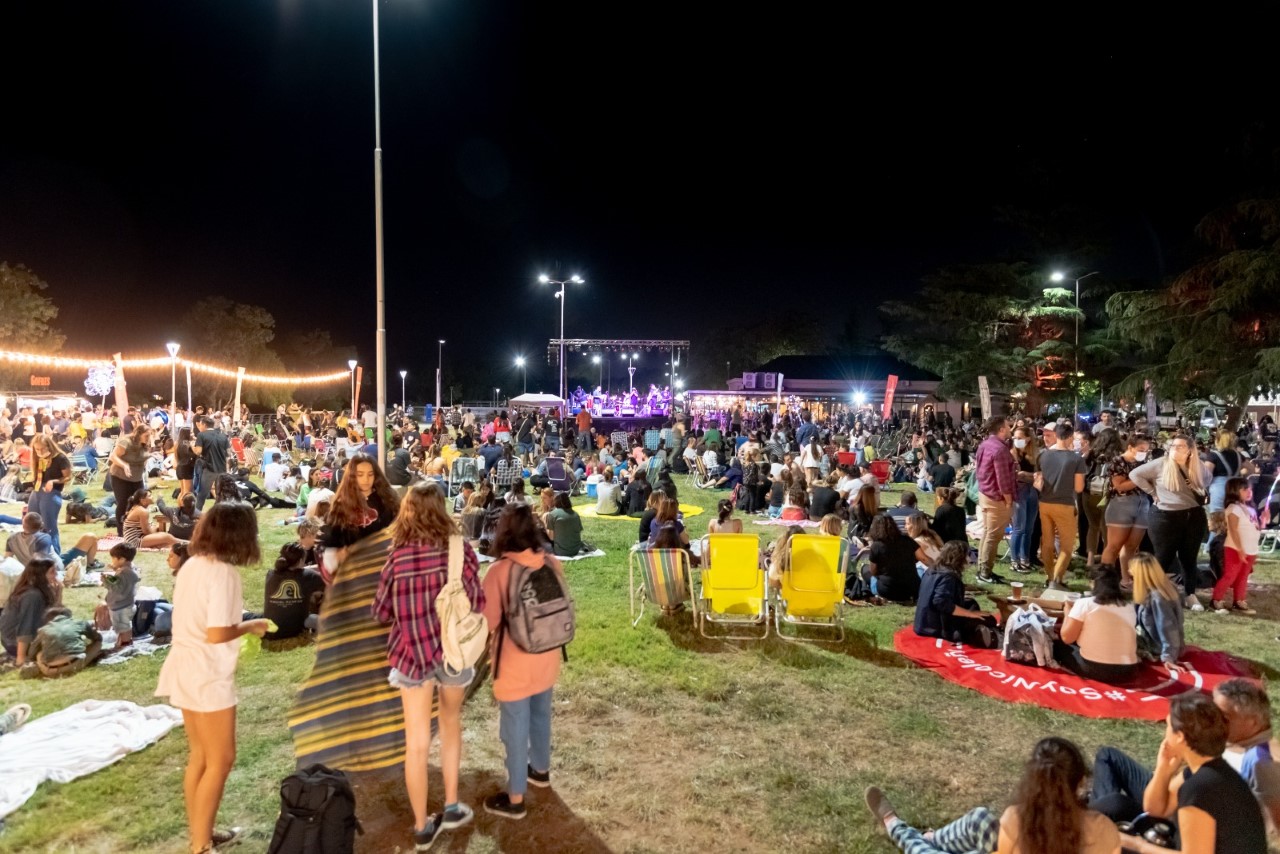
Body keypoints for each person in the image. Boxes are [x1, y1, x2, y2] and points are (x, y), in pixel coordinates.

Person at [154, 502, 270, 854]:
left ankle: (200, 834)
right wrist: (252, 624)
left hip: (185, 665)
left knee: (201, 757)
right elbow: (219, 633)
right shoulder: (223, 574)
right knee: (221, 759)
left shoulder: (192, 566)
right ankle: (201, 845)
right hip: (207, 674)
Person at [373, 482, 484, 849]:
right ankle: (451, 806)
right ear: (441, 509)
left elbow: (381, 612)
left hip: (410, 655)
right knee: (451, 725)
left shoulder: (396, 557)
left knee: (416, 743)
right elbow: (478, 601)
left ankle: (422, 826)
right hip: (453, 654)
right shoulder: (460, 550)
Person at [290, 453, 406, 772]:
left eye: (370, 475)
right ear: (350, 478)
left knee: (385, 667)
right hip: (354, 599)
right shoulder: (339, 512)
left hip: (387, 597)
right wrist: (344, 556)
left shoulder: (390, 506)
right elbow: (328, 557)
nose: (366, 481)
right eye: (360, 476)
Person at [864, 737, 1118, 854]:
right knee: (981, 819)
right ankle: (931, 837)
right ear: (1081, 783)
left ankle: (896, 826)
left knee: (924, 851)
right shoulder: (1105, 830)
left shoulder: (1017, 821)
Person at [1093, 680, 1280, 837]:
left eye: (1223, 717)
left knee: (1114, 804)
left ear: (1253, 722)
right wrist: (1164, 769)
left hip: (1184, 825)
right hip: (1172, 801)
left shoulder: (1262, 762)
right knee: (1108, 757)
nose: (1212, 719)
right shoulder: (1228, 743)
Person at [480, 504, 566, 820]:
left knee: (514, 730)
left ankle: (515, 797)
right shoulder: (551, 563)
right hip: (547, 657)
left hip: (513, 664)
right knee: (541, 716)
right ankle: (540, 770)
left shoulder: (499, 572)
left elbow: (487, 621)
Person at [1119, 693, 1267, 854]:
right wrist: (1163, 770)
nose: (1165, 732)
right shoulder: (1212, 772)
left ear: (1180, 737)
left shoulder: (1198, 789)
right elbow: (1156, 809)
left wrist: (1138, 846)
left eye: (1168, 726)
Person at [1129, 433, 1212, 611]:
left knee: (1189, 558)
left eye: (1180, 446)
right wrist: (1152, 492)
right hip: (1165, 516)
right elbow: (1135, 474)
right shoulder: (1161, 464)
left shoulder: (1197, 466)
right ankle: (1149, 594)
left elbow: (1206, 481)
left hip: (1193, 516)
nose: (1175, 449)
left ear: (1190, 451)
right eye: (1173, 446)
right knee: (1162, 557)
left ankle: (1190, 594)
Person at [1053, 564, 1140, 683]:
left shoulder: (1085, 604)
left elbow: (1066, 638)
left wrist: (1067, 611)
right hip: (1128, 670)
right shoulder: (1129, 606)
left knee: (1056, 645)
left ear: (1093, 583)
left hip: (1095, 669)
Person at [1035, 422, 1087, 589]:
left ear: (1055, 435)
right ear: (1071, 437)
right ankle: (1056, 579)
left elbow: (1038, 480)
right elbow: (1079, 488)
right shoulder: (1076, 458)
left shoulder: (1042, 455)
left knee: (1047, 543)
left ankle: (1049, 576)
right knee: (1066, 546)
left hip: (1045, 502)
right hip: (1065, 504)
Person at [914, 541, 994, 645]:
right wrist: (970, 614)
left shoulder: (932, 569)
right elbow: (940, 602)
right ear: (959, 557)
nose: (969, 559)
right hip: (936, 626)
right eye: (967, 555)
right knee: (988, 619)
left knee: (971, 603)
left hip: (924, 621)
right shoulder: (948, 577)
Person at [1101, 433, 1152, 585]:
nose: (1144, 453)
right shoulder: (1118, 461)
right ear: (1130, 447)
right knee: (1114, 546)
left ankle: (1125, 579)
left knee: (1131, 546)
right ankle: (1105, 582)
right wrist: (1140, 478)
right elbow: (1120, 486)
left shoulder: (1143, 463)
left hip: (1142, 504)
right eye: (1141, 449)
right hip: (1121, 505)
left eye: (1146, 450)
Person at [1213, 476, 1265, 615]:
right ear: (1234, 491)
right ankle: (1216, 599)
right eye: (1244, 489)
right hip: (1235, 548)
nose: (1249, 491)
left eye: (1250, 489)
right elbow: (1233, 529)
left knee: (1243, 576)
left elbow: (1256, 528)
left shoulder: (1251, 509)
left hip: (1251, 549)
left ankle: (1239, 600)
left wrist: (1263, 520)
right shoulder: (1233, 508)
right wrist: (1240, 548)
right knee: (1230, 575)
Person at [973, 417, 1016, 585]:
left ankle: (984, 569)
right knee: (993, 535)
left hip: (985, 493)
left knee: (987, 532)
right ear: (1001, 429)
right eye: (1008, 426)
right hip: (996, 497)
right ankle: (985, 572)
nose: (1010, 428)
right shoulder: (1000, 450)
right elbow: (1003, 480)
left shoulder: (985, 445)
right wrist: (1008, 501)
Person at [1130, 552, 1184, 673]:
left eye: (1132, 570)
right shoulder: (1164, 588)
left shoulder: (1157, 597)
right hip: (1154, 641)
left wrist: (1168, 657)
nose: (1129, 572)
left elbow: (1169, 628)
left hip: (1156, 647)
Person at [0, 559, 60, 664]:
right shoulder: (32, 595)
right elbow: (25, 627)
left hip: (24, 639)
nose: (56, 574)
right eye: (52, 572)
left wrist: (58, 594)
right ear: (40, 575)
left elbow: (55, 616)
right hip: (16, 643)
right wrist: (21, 657)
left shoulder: (40, 590)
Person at [262, 543, 325, 643]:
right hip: (297, 627)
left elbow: (295, 573)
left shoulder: (271, 574)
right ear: (300, 561)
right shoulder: (309, 576)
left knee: (244, 615)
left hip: (271, 627)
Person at [21, 606, 103, 679]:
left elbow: (31, 654)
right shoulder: (78, 623)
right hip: (75, 664)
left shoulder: (42, 630)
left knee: (39, 653)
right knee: (98, 643)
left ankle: (36, 668)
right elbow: (97, 638)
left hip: (49, 670)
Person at [27, 434, 71, 554]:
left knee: (49, 526)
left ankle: (55, 555)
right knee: (31, 523)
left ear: (49, 446)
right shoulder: (38, 458)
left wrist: (53, 481)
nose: (40, 451)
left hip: (52, 493)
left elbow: (67, 477)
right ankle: (35, 553)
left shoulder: (60, 458)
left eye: (42, 448)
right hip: (37, 491)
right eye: (37, 449)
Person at [861, 515, 920, 604]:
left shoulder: (877, 545)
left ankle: (867, 592)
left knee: (864, 569)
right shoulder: (907, 540)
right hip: (911, 589)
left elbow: (873, 571)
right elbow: (923, 558)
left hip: (887, 590)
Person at [108, 423, 152, 534]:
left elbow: (144, 456)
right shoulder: (126, 441)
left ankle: (138, 528)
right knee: (123, 503)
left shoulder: (146, 443)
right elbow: (113, 456)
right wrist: (124, 465)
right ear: (139, 434)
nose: (148, 438)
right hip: (120, 476)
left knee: (141, 502)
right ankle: (121, 532)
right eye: (146, 436)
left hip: (136, 477)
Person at [103, 542, 141, 649]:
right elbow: (125, 581)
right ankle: (125, 640)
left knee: (123, 627)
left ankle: (125, 645)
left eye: (114, 558)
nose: (112, 561)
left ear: (122, 559)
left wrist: (106, 580)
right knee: (125, 626)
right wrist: (116, 569)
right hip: (127, 604)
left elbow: (117, 588)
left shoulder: (124, 574)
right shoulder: (129, 570)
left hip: (120, 606)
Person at [192, 416, 230, 512]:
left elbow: (198, 452)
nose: (199, 427)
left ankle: (196, 515)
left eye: (200, 425)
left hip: (209, 468)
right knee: (220, 494)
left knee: (202, 495)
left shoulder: (202, 435)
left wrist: (191, 446)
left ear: (204, 424)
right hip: (222, 469)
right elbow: (228, 453)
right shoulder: (223, 436)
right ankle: (218, 513)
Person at [546, 492, 584, 558]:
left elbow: (551, 537)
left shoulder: (552, 514)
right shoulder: (576, 514)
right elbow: (579, 531)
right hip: (575, 550)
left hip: (559, 551)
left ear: (555, 501)